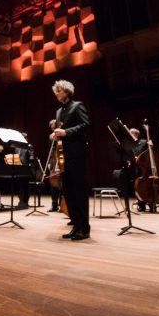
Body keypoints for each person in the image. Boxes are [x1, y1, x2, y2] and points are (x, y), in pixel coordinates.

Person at [51, 79, 91, 241]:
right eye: (56, 91)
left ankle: (85, 228)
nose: (57, 93)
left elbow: (85, 124)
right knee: (68, 191)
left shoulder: (77, 105)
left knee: (79, 191)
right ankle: (76, 225)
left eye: (59, 90)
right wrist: (56, 134)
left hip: (76, 154)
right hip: (63, 156)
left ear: (67, 91)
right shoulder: (59, 112)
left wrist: (66, 132)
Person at [45, 119, 63, 213]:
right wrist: (48, 163)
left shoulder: (62, 133)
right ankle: (54, 204)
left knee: (62, 184)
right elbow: (49, 150)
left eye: (54, 125)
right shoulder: (50, 136)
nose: (53, 127)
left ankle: (62, 205)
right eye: (51, 126)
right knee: (53, 183)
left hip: (62, 161)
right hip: (53, 161)